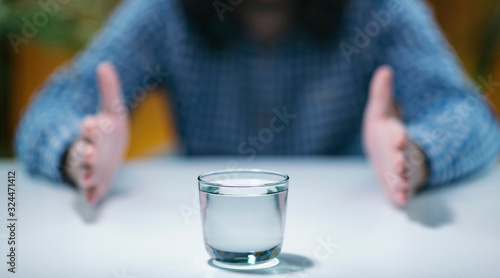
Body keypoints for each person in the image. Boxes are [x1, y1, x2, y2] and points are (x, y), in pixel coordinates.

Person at [16, 0, 500, 206]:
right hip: (191, 239)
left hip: (367, 224)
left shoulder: (379, 8)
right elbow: (52, 108)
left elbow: (467, 115)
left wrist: (413, 157)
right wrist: (78, 151)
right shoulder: (163, 11)